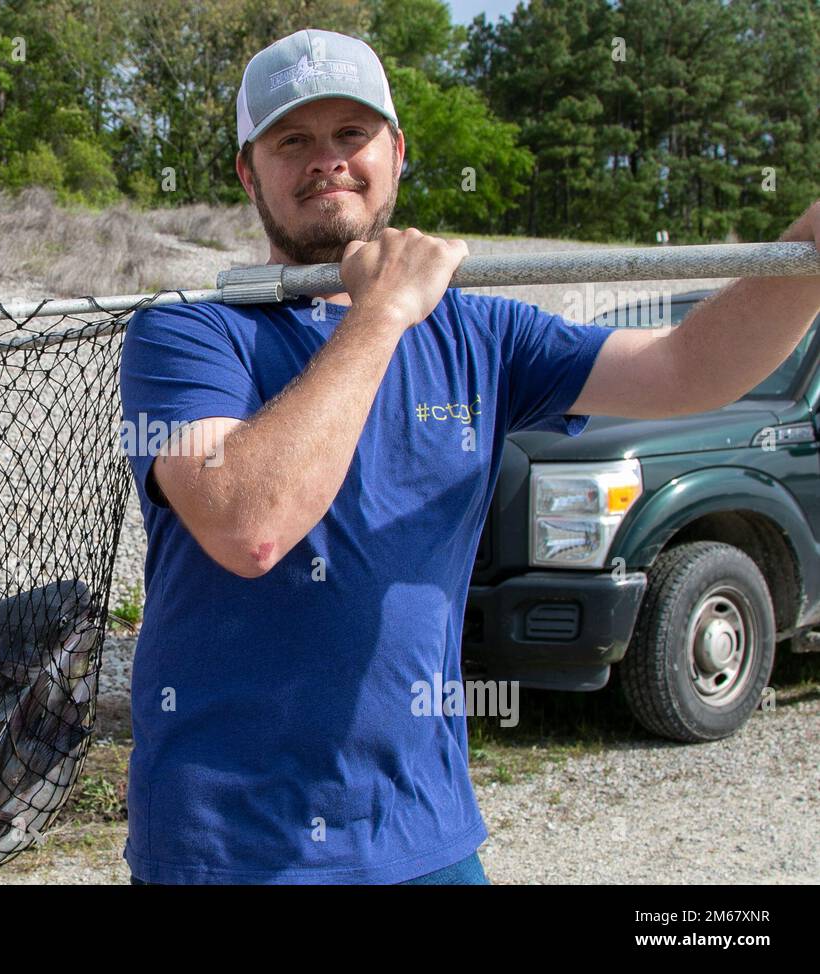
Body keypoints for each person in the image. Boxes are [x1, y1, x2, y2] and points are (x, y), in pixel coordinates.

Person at [117, 27, 820, 885]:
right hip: (227, 848)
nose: (326, 161)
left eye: (351, 134)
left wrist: (813, 248)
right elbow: (250, 526)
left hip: (425, 835)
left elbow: (688, 367)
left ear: (397, 151)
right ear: (247, 170)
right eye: (292, 140)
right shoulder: (186, 333)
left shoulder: (481, 332)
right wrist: (379, 313)